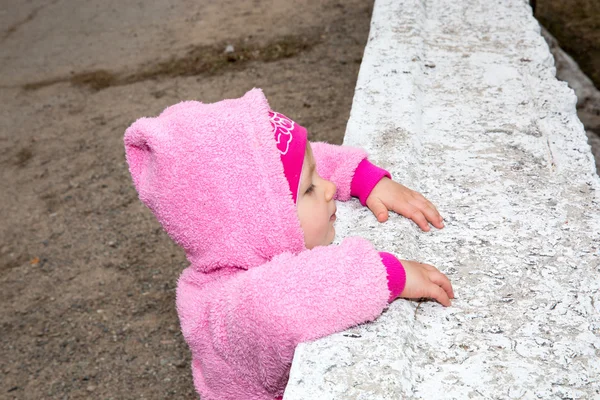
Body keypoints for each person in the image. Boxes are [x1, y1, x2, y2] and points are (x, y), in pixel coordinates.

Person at [124, 88, 454, 400]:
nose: (326, 189)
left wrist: (360, 177)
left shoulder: (241, 226)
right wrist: (383, 273)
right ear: (260, 220)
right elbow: (278, 302)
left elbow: (291, 166)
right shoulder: (221, 310)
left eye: (317, 181)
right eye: (310, 189)